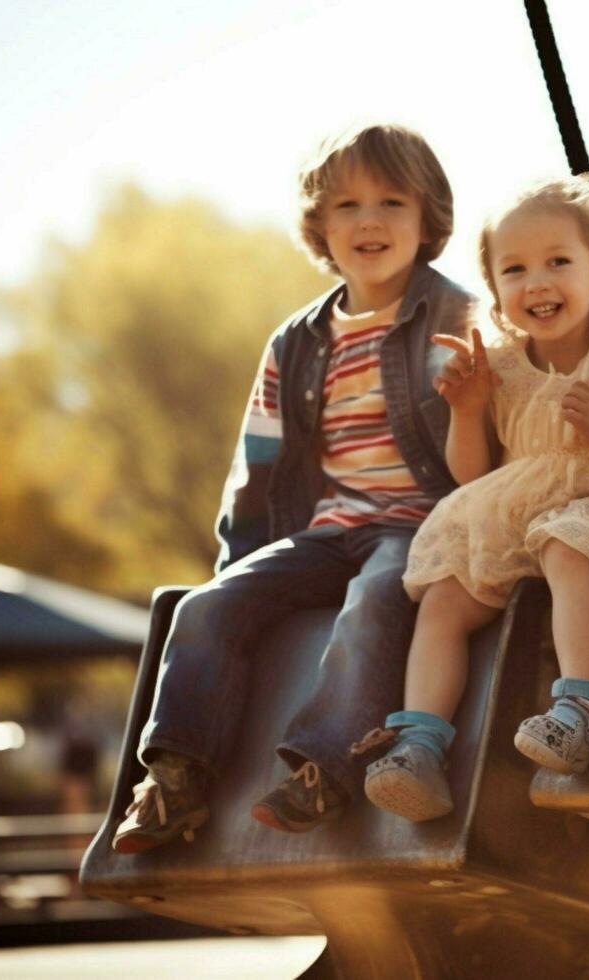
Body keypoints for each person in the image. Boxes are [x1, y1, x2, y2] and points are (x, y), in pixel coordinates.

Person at [112, 122, 476, 853]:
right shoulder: (296, 342)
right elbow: (260, 464)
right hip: (326, 531)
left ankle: (327, 768)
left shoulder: (458, 318)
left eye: (391, 202)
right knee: (209, 609)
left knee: (375, 601)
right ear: (320, 225)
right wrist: (241, 568)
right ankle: (177, 779)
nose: (368, 220)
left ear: (428, 218)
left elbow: (491, 435)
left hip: (422, 528)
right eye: (346, 205)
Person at [355, 175, 589, 823]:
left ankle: (578, 709)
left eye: (558, 262)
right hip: (514, 513)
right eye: (515, 269)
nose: (537, 282)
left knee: (568, 547)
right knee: (446, 596)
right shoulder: (501, 367)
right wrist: (469, 410)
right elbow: (472, 475)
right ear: (496, 289)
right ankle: (421, 744)